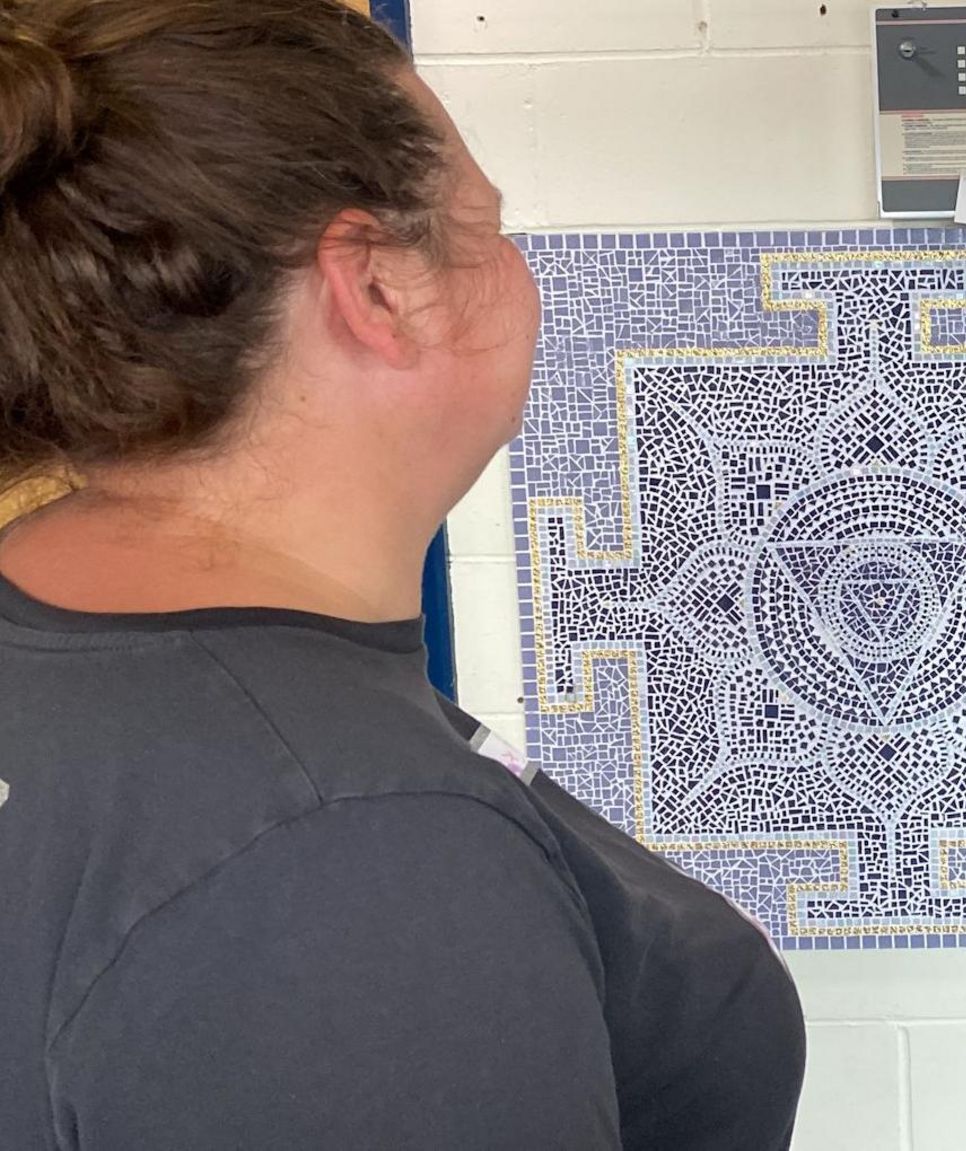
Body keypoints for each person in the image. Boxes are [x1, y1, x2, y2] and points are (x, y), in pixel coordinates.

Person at [0, 1, 804, 1146]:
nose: (517, 266)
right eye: (486, 223)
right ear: (376, 286)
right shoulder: (349, 860)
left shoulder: (90, 649)